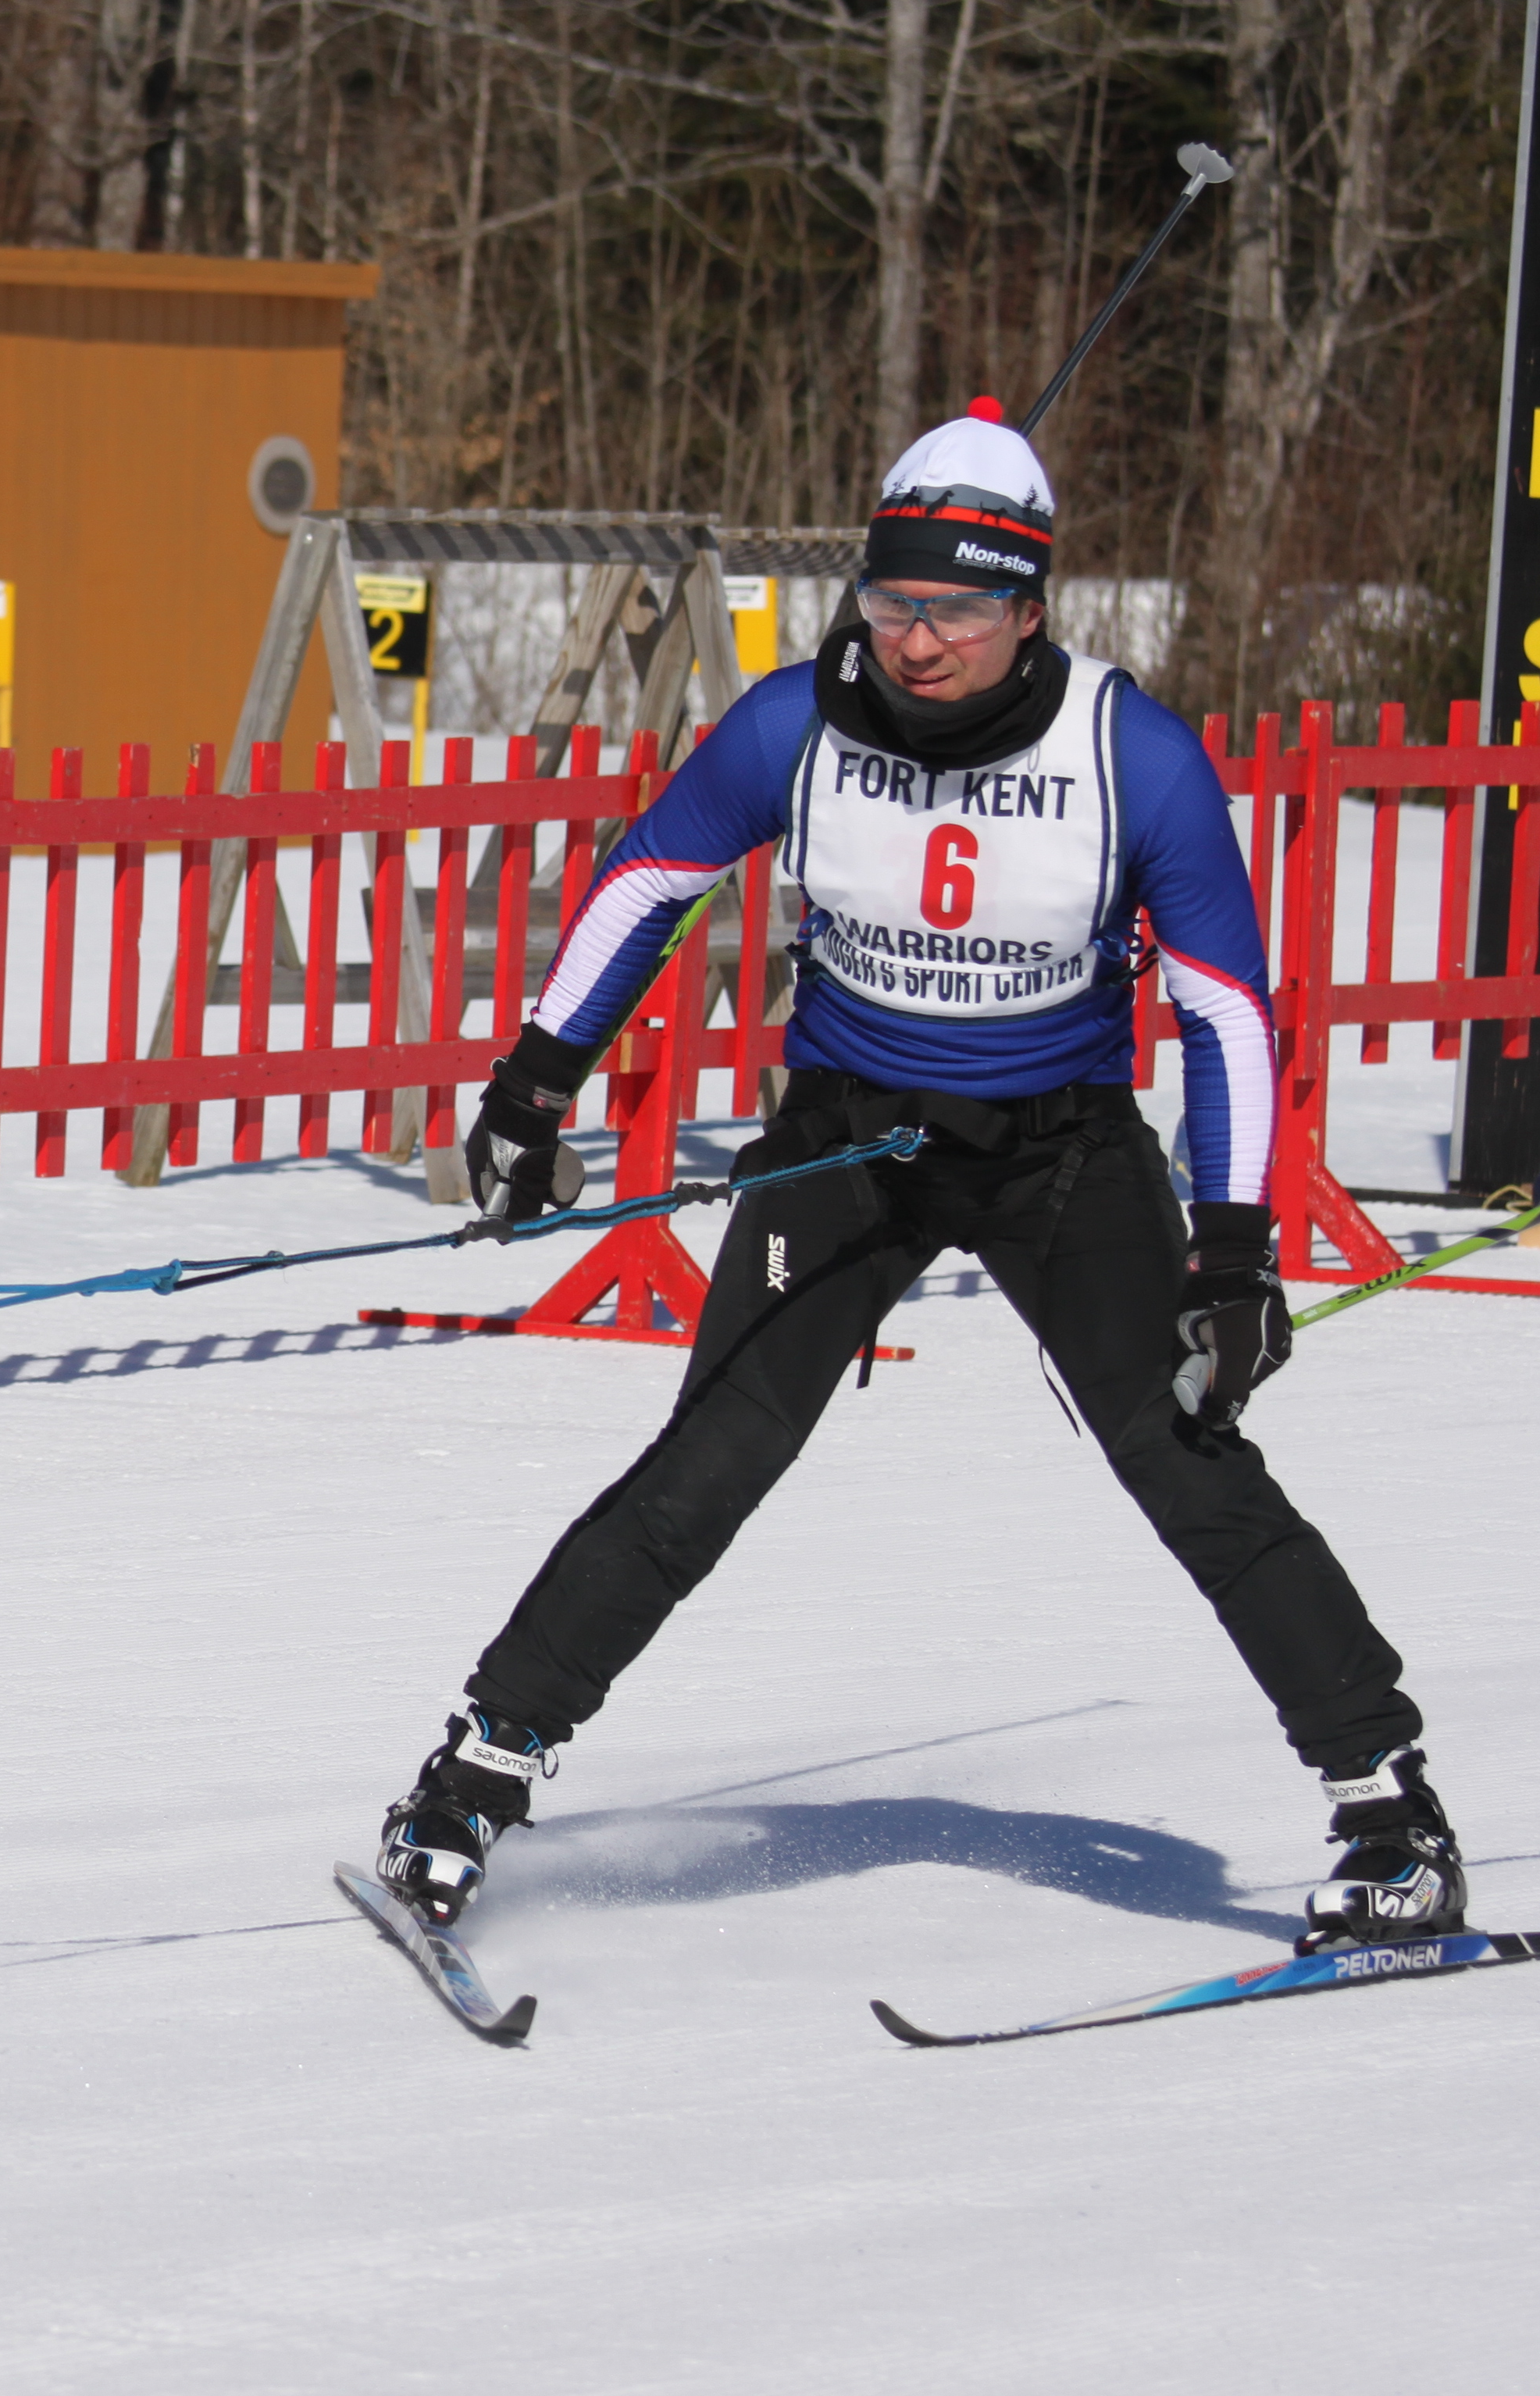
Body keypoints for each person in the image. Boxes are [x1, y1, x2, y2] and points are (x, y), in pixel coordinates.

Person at [376, 402, 1463, 1957]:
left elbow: (1226, 1011)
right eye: (892, 602)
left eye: (956, 609)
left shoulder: (1129, 757)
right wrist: (537, 1079)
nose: (918, 641)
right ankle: (471, 1782)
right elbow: (648, 879)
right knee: (711, 1462)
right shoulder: (792, 726)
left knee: (1185, 1455)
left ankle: (1388, 1813)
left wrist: (1235, 1251)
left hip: (1059, 1154)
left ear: (1030, 608)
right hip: (849, 1141)